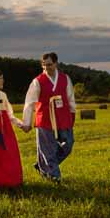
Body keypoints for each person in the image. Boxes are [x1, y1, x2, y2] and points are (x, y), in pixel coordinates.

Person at [23, 52, 76, 183]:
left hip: (63, 119)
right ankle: (54, 178)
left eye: (50, 64)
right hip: (45, 121)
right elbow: (29, 103)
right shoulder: (37, 82)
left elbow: (71, 99)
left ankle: (42, 165)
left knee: (68, 145)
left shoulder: (65, 79)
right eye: (44, 65)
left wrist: (72, 115)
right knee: (48, 150)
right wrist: (27, 122)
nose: (47, 68)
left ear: (56, 63)